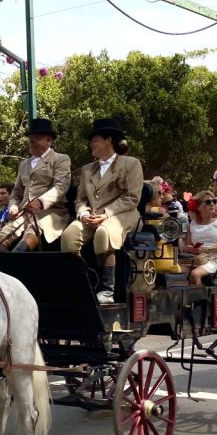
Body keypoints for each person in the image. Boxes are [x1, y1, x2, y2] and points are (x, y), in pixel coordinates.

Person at [61, 117, 143, 304]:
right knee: (69, 235)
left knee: (104, 233)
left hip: (123, 214)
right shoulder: (87, 169)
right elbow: (81, 199)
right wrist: (83, 213)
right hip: (92, 216)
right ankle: (82, 283)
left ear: (109, 140)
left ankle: (107, 290)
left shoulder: (130, 164)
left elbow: (131, 198)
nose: (91, 144)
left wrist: (106, 214)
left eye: (95, 140)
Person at [0, 118, 71, 252]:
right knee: (7, 231)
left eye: (37, 138)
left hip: (50, 212)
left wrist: (40, 202)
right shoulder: (24, 164)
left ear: (49, 140)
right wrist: (13, 207)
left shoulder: (60, 159)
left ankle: (18, 255)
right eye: (30, 138)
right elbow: (16, 192)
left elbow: (61, 187)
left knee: (34, 228)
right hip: (23, 213)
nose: (31, 142)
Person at [182, 190, 217, 285]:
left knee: (195, 274)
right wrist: (192, 249)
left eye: (214, 201)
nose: (212, 204)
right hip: (197, 258)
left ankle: (199, 295)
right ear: (198, 207)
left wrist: (207, 250)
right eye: (208, 202)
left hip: (216, 259)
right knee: (178, 271)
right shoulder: (192, 224)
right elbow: (187, 246)